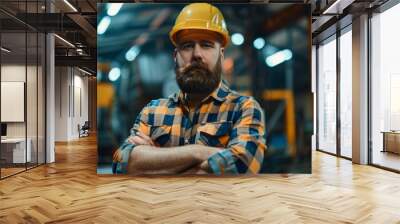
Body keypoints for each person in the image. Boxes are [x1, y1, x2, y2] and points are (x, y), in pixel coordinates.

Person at [112, 3, 266, 175]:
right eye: (187, 46)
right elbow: (122, 164)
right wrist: (198, 153)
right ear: (175, 56)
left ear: (221, 55)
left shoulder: (243, 109)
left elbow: (242, 167)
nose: (196, 54)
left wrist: (155, 160)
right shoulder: (153, 111)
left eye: (206, 45)